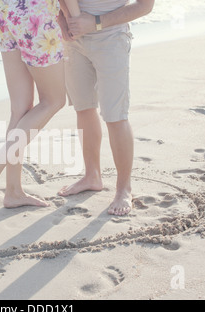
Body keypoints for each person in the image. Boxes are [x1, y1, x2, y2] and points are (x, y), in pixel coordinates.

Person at [57, 0, 155, 216]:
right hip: (73, 40)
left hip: (111, 38)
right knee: (83, 108)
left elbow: (146, 5)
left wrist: (97, 22)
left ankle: (123, 189)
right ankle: (92, 176)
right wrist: (62, 19)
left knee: (115, 115)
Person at [0, 0, 66, 208]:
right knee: (54, 100)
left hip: (8, 12)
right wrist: (74, 17)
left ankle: (13, 192)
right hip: (36, 15)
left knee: (20, 108)